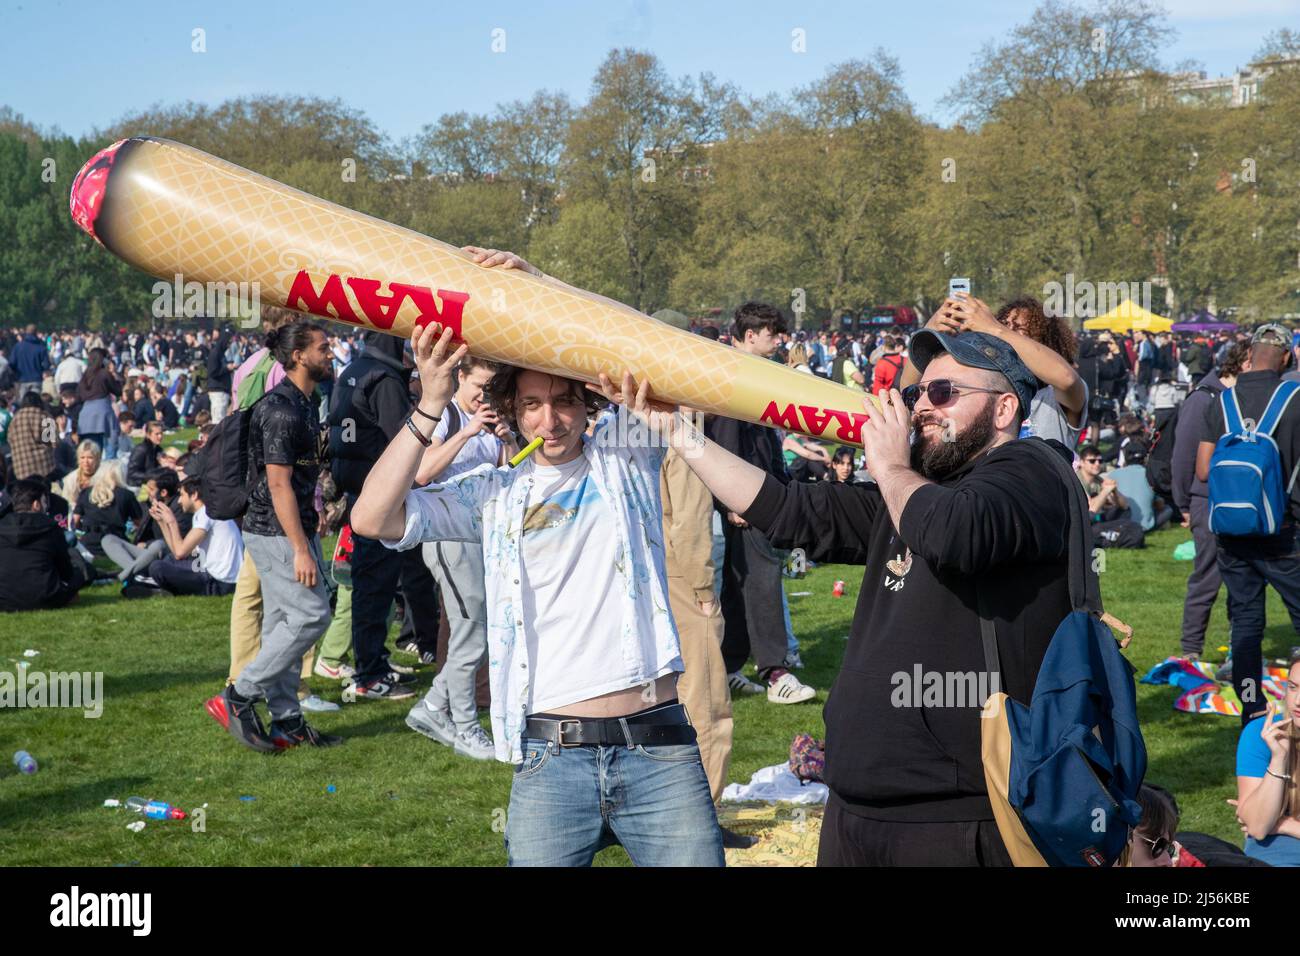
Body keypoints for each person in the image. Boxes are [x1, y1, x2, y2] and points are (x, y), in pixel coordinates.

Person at [630, 326, 1071, 866]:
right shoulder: (913, 490)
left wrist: (889, 464)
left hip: (955, 817)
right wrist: (677, 431)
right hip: (857, 806)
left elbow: (956, 533)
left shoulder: (1032, 471)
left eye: (942, 394)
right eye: (916, 395)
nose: (921, 409)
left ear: (1004, 409)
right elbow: (788, 509)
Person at [352, 248, 723, 867]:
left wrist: (542, 285)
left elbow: (651, 342)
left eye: (564, 402)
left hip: (659, 749)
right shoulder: (494, 495)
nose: (550, 420)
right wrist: (429, 405)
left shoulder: (624, 456)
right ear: (512, 411)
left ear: (586, 406)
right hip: (552, 760)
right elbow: (371, 517)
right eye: (532, 405)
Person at [205, 321, 341, 752]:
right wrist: (300, 548)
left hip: (292, 524)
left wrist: (313, 513)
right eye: (323, 347)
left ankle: (287, 721)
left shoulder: (306, 401)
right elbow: (278, 484)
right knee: (311, 616)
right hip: (274, 530)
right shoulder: (280, 409)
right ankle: (240, 694)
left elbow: (301, 476)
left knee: (285, 620)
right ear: (299, 356)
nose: (331, 351)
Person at [706, 302, 818, 705]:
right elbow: (726, 439)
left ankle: (731, 665)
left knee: (741, 584)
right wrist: (732, 499)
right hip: (743, 496)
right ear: (750, 335)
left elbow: (763, 439)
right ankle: (776, 672)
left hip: (756, 490)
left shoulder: (752, 373)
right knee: (763, 577)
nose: (779, 341)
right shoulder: (729, 375)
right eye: (772, 334)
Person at [404, 353, 515, 757]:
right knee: (470, 634)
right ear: (459, 377)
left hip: (482, 536)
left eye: (491, 389)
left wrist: (508, 440)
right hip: (447, 537)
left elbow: (513, 472)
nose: (484, 396)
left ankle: (433, 706)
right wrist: (468, 432)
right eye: (478, 387)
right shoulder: (448, 416)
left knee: (477, 634)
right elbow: (421, 472)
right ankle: (465, 725)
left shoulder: (487, 421)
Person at [1197, 324, 1300, 728]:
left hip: (1232, 533)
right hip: (1285, 530)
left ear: (1250, 354)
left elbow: (1204, 470)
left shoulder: (1221, 402)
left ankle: (1251, 710)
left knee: (1245, 625)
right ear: (1287, 358)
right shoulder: (1294, 399)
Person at [327, 330, 428, 702]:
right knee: (375, 587)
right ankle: (370, 672)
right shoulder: (384, 379)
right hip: (378, 493)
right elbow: (402, 438)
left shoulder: (353, 369)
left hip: (357, 488)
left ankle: (373, 662)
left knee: (369, 585)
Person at [1172, 343, 1247, 660]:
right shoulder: (1204, 398)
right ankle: (1191, 650)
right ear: (1243, 363)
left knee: (1242, 579)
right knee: (1207, 577)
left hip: (1238, 503)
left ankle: (1238, 651)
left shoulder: (1238, 399)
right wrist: (1183, 504)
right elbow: (1183, 457)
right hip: (1205, 500)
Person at [1234, 653, 1300, 866]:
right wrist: (1278, 759)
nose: (1297, 701)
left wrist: (1284, 825)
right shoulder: (1261, 734)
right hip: (1275, 858)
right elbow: (1257, 825)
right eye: (1293, 687)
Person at [140, 476, 242, 597]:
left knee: (157, 567)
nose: (179, 501)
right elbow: (178, 554)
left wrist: (171, 521)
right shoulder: (206, 512)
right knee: (169, 559)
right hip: (211, 573)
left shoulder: (207, 513)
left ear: (194, 495)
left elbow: (180, 552)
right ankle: (158, 587)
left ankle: (154, 586)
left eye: (182, 495)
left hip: (219, 583)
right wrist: (162, 522)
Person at [0, 479, 92, 612]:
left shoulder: (2, 525)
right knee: (84, 571)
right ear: (36, 504)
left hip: (4, 600)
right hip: (46, 597)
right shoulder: (50, 526)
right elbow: (65, 571)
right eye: (44, 501)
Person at [103, 468, 190, 582]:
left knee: (158, 545)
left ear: (163, 492)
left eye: (151, 489)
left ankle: (122, 576)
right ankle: (136, 574)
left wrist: (148, 544)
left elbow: (178, 541)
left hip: (168, 555)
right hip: (149, 554)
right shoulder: (151, 504)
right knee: (108, 539)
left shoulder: (180, 507)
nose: (147, 491)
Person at [72, 461, 142, 558]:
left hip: (89, 543)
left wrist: (82, 529)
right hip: (117, 543)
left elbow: (75, 521)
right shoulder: (127, 495)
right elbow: (139, 524)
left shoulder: (86, 493)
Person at [74, 348, 121, 452]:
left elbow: (78, 397)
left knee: (90, 450)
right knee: (109, 449)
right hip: (102, 412)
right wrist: (114, 373)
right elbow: (118, 391)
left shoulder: (85, 376)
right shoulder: (104, 374)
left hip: (86, 414)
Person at [8, 392, 55, 481]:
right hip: (44, 467)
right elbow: (53, 442)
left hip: (21, 468)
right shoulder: (44, 416)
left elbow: (10, 440)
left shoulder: (15, 419)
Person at [11, 324, 50, 399]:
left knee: (22, 403)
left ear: (26, 332)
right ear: (36, 333)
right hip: (36, 379)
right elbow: (46, 365)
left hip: (21, 379)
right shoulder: (41, 347)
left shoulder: (18, 347)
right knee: (35, 402)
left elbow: (12, 363)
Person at [206, 328, 234, 423]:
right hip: (217, 390)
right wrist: (227, 368)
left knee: (221, 418)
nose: (229, 345)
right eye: (228, 342)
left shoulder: (221, 353)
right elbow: (212, 372)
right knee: (218, 420)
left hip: (222, 390)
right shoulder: (215, 353)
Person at [127, 421, 164, 487]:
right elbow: (131, 472)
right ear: (148, 435)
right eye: (157, 434)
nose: (160, 436)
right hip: (137, 485)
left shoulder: (158, 449)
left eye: (161, 433)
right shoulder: (141, 449)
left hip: (151, 483)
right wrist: (152, 476)